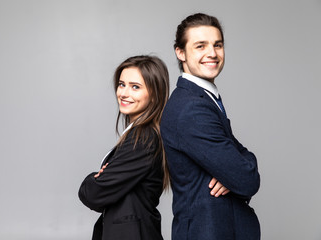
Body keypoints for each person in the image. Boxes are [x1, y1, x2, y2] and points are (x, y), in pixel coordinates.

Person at [160, 13, 261, 240]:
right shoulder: (191, 108)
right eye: (200, 46)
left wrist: (235, 171)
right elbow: (247, 178)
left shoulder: (203, 100)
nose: (212, 53)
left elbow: (243, 164)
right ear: (180, 52)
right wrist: (236, 172)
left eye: (218, 45)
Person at [79, 55, 170, 240]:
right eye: (122, 84)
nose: (124, 93)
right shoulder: (137, 135)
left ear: (154, 95)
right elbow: (102, 199)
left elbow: (94, 194)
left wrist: (93, 179)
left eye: (135, 87)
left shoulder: (144, 139)